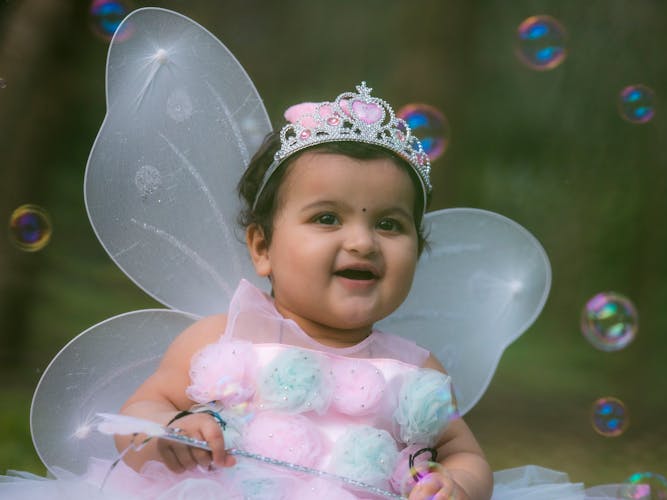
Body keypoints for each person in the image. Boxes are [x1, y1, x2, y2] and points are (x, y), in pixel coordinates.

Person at [112, 82, 494, 499]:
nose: (363, 243)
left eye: (389, 224)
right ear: (263, 248)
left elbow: (465, 455)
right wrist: (168, 431)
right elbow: (137, 412)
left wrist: (456, 484)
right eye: (328, 217)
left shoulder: (419, 371)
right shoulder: (221, 341)